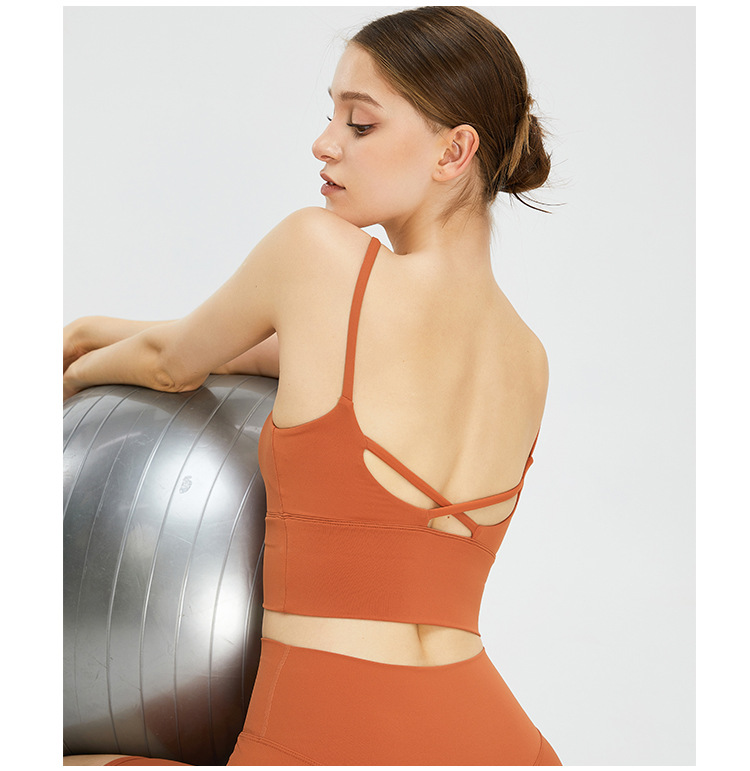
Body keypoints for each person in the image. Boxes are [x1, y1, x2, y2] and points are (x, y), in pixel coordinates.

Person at [63, 6, 561, 766]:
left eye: (359, 124)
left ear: (454, 150)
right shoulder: (529, 358)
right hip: (489, 738)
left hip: (329, 731)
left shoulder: (318, 252)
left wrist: (72, 370)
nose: (325, 143)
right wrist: (99, 331)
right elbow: (264, 354)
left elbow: (172, 363)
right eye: (330, 117)